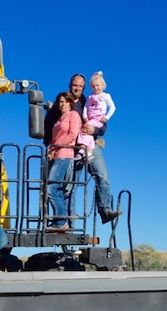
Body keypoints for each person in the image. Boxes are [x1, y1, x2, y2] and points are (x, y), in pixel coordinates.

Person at [45, 73, 122, 225]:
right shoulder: (60, 104)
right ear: (70, 85)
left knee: (102, 176)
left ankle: (105, 211)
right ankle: (68, 225)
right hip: (70, 150)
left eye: (80, 86)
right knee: (70, 187)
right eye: (75, 85)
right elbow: (48, 128)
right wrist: (51, 147)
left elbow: (101, 123)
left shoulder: (89, 101)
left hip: (91, 144)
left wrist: (94, 131)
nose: (77, 88)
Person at [47, 92, 82, 230]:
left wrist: (55, 146)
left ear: (70, 103)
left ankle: (61, 222)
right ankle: (59, 222)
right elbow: (55, 138)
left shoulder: (73, 115)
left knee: (51, 187)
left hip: (65, 154)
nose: (62, 104)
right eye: (60, 102)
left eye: (64, 101)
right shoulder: (58, 119)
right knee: (58, 190)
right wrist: (50, 148)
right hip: (56, 155)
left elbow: (72, 135)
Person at [77, 71, 117, 160]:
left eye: (97, 85)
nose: (95, 88)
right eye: (93, 86)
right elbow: (86, 107)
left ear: (102, 85)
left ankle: (82, 148)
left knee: (84, 129)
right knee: (89, 133)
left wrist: (106, 117)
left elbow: (113, 107)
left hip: (98, 119)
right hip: (90, 119)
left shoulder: (106, 96)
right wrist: (84, 116)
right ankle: (89, 152)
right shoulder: (90, 97)